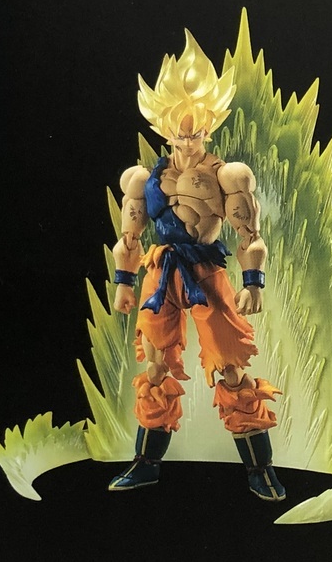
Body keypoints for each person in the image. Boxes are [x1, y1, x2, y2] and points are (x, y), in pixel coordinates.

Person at [108, 31, 283, 500]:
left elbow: (250, 235)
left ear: (209, 126)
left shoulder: (228, 175)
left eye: (196, 130)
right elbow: (129, 238)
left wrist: (254, 282)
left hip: (205, 272)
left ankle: (260, 469)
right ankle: (146, 464)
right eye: (179, 131)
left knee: (230, 367)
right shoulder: (143, 179)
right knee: (156, 368)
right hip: (159, 274)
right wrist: (124, 282)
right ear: (164, 129)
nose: (187, 139)